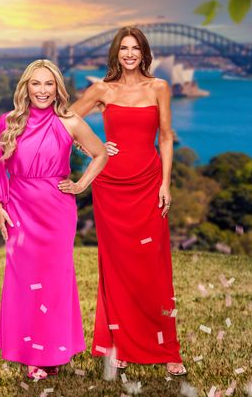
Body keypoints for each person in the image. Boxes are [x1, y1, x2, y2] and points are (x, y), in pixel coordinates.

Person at [70, 26, 186, 376]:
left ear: (144, 53)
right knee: (117, 267)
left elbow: (165, 137)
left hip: (149, 183)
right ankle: (118, 344)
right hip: (111, 185)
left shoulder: (159, 88)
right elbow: (68, 120)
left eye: (135, 48)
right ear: (116, 53)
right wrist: (95, 147)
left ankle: (168, 350)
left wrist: (166, 183)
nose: (130, 54)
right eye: (124, 48)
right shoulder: (103, 89)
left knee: (154, 267)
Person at [0, 59, 107, 380]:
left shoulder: (69, 121)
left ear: (57, 89)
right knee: (23, 281)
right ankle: (28, 353)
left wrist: (81, 185)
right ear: (25, 87)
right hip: (19, 207)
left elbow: (100, 154)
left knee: (53, 283)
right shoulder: (7, 122)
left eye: (48, 84)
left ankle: (50, 354)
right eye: (35, 83)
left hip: (57, 211)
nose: (42, 90)